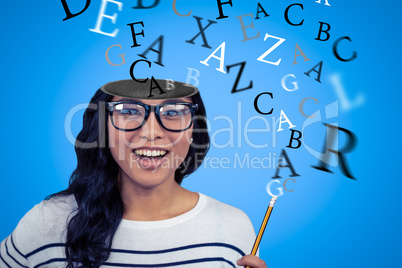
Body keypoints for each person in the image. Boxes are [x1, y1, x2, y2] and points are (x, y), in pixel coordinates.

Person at [0, 79, 267, 268]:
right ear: (102, 128)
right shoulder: (49, 222)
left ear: (193, 130)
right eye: (128, 111)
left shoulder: (232, 226)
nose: (151, 132)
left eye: (173, 112)